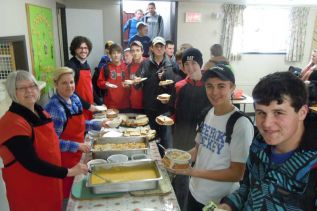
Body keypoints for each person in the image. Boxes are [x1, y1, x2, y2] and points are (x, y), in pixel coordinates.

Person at [219, 71, 317, 211]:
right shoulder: (259, 144)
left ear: (302, 112)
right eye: (261, 113)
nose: (266, 124)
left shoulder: (312, 167)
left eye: (278, 112)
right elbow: (248, 189)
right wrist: (227, 205)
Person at [168, 65, 254, 210]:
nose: (214, 92)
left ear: (232, 87)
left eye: (221, 86)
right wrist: (174, 160)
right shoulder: (207, 113)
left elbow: (237, 173)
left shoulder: (240, 124)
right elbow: (198, 150)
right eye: (209, 86)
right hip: (194, 189)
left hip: (218, 201)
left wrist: (192, 171)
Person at [0, 70, 87, 211]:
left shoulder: (41, 113)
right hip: (29, 193)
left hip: (50, 184)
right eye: (22, 88)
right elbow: (31, 163)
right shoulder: (11, 123)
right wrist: (68, 172)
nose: (29, 91)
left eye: (32, 86)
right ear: (12, 92)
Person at [45, 67, 109, 199]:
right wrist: (77, 146)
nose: (69, 86)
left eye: (71, 82)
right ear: (56, 84)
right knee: (69, 195)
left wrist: (98, 124)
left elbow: (81, 124)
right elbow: (52, 143)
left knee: (79, 190)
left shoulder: (74, 98)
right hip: (63, 159)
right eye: (64, 83)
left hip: (78, 154)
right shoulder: (55, 108)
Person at [172, 48, 211, 210]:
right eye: (186, 64)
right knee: (181, 177)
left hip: (203, 139)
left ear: (200, 64)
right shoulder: (180, 86)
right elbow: (175, 110)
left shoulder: (209, 86)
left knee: (198, 178)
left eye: (194, 63)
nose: (190, 67)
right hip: (181, 136)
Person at [135, 36, 177, 154]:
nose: (159, 49)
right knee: (151, 138)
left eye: (161, 46)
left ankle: (168, 164)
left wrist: (164, 79)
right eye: (156, 46)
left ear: (164, 48)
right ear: (152, 48)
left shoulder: (171, 65)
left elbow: (174, 87)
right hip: (150, 107)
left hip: (166, 108)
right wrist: (136, 82)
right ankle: (153, 161)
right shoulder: (145, 63)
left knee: (166, 139)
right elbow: (137, 84)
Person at [66, 36, 96, 120]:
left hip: (88, 106)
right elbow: (71, 92)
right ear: (74, 49)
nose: (83, 50)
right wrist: (87, 106)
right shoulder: (70, 66)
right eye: (80, 48)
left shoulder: (86, 64)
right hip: (78, 108)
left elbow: (90, 87)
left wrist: (100, 103)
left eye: (86, 48)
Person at [97, 43, 129, 111]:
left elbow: (132, 82)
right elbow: (99, 82)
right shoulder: (105, 68)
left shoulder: (127, 67)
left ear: (121, 54)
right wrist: (106, 84)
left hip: (126, 104)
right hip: (110, 105)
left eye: (118, 53)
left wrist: (129, 85)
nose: (116, 55)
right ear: (110, 55)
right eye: (114, 53)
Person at [127, 41, 145, 113]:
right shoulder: (128, 67)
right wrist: (126, 85)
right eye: (133, 51)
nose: (135, 53)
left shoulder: (148, 63)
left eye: (138, 50)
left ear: (142, 51)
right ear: (131, 53)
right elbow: (128, 86)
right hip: (134, 104)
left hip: (147, 104)